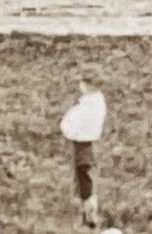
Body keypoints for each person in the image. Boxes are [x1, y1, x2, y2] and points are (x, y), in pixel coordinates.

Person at [60, 81, 107, 229]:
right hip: (84, 143)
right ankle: (87, 214)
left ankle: (88, 214)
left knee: (84, 177)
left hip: (82, 144)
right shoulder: (94, 103)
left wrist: (71, 130)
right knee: (84, 177)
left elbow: (68, 124)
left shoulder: (88, 104)